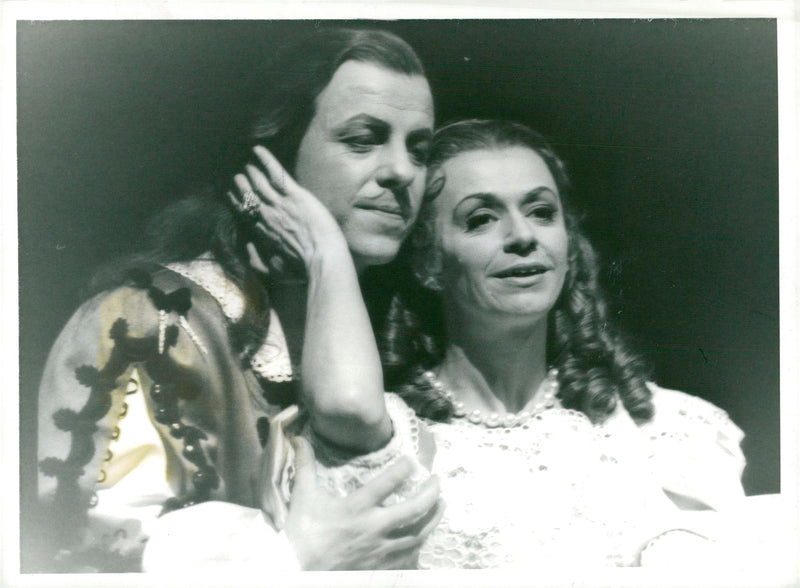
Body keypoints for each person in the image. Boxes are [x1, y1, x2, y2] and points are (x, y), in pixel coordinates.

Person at [246, 119, 752, 569]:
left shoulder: (665, 431)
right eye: (481, 219)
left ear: (568, 244)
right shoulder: (394, 438)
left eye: (540, 211)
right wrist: (326, 250)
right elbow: (347, 410)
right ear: (427, 263)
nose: (522, 236)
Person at [34, 27, 442, 573]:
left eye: (420, 149)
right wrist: (293, 560)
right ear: (271, 156)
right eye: (363, 138)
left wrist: (329, 259)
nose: (401, 172)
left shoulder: (401, 337)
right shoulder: (149, 322)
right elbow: (78, 557)